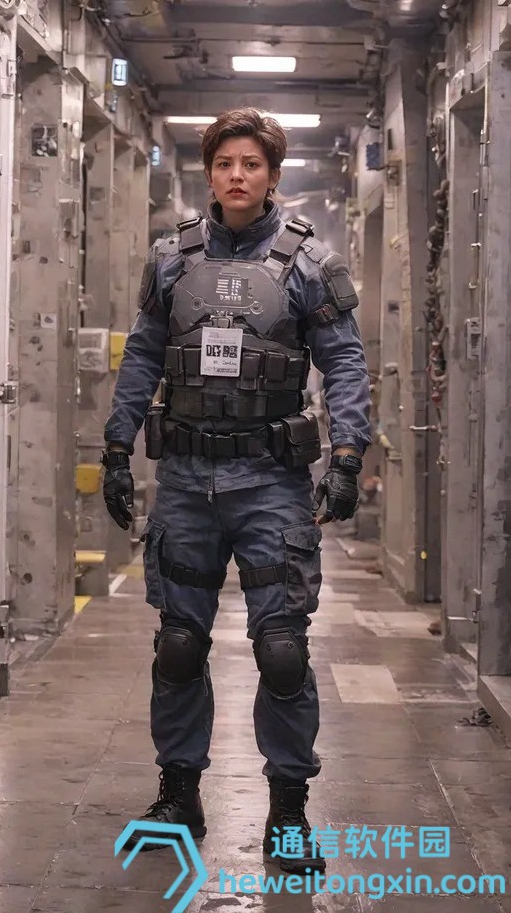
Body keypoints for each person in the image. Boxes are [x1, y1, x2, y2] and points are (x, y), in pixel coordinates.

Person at [102, 107, 371, 873]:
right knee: (178, 644)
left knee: (281, 649)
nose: (238, 175)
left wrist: (348, 453)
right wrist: (117, 445)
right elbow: (143, 354)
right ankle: (178, 793)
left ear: (272, 175)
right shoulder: (171, 260)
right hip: (186, 480)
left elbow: (345, 362)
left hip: (271, 481)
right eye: (225, 163)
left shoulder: (310, 263)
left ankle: (288, 813)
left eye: (252, 163)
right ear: (210, 173)